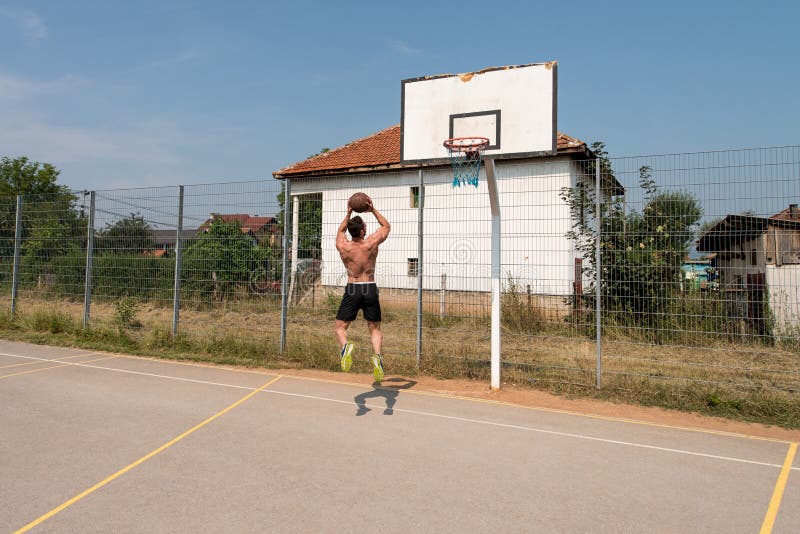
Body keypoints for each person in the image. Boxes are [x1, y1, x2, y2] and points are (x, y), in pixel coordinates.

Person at [335, 199, 390, 381]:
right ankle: (377, 357)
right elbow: (386, 226)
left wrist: (348, 213)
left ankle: (345, 347)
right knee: (374, 328)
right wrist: (373, 210)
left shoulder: (343, 246)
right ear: (363, 231)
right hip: (369, 287)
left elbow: (340, 231)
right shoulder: (370, 244)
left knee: (340, 328)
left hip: (353, 288)